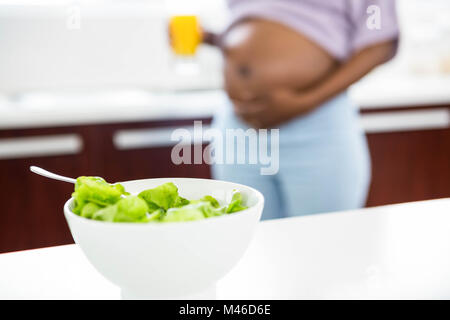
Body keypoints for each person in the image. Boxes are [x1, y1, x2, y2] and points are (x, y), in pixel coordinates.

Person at [201, 0, 398, 219]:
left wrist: (305, 102)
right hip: (239, 127)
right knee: (246, 242)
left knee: (321, 242)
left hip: (317, 126)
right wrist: (211, 38)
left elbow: (382, 42)